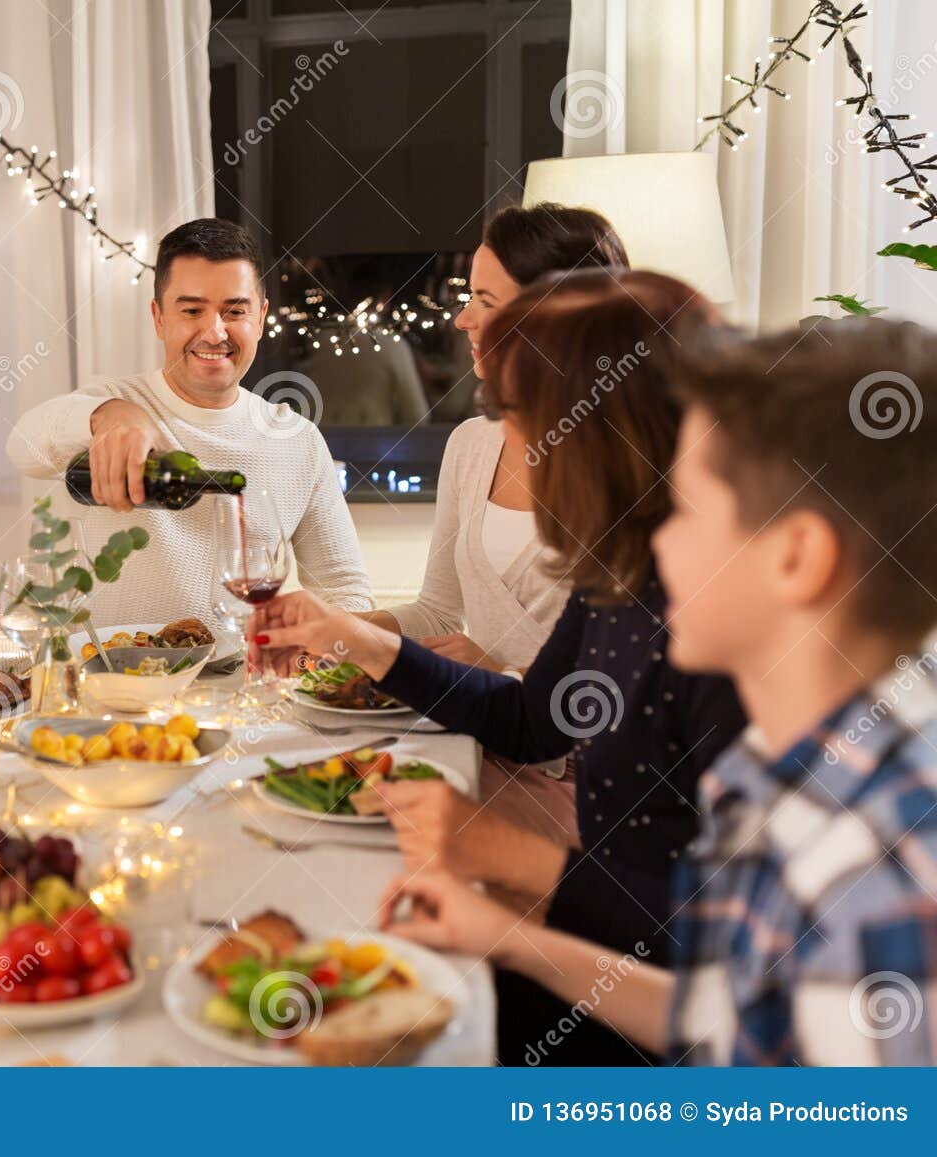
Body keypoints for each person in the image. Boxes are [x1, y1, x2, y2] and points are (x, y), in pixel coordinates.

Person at [381, 318, 937, 1066]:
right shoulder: (770, 765)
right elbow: (727, 1014)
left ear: (797, 557)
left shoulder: (868, 872)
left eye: (686, 507)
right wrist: (508, 942)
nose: (656, 537)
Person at [252, 270, 748, 1065]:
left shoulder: (721, 623)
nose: (511, 449)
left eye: (518, 417)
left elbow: (750, 943)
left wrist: (510, 858)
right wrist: (357, 638)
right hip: (592, 947)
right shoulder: (620, 566)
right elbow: (529, 720)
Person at [359, 203, 630, 843]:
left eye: (485, 299)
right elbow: (438, 610)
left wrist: (503, 679)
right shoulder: (472, 445)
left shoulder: (631, 472)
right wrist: (339, 630)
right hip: (473, 746)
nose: (462, 319)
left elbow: (626, 696)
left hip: (584, 788)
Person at [5, 217, 371, 627]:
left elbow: (343, 589)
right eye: (192, 310)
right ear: (159, 317)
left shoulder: (296, 439)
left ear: (262, 316)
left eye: (235, 311)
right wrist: (109, 415)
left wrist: (329, 666)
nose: (215, 333)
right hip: (112, 680)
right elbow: (22, 446)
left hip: (239, 685)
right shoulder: (111, 406)